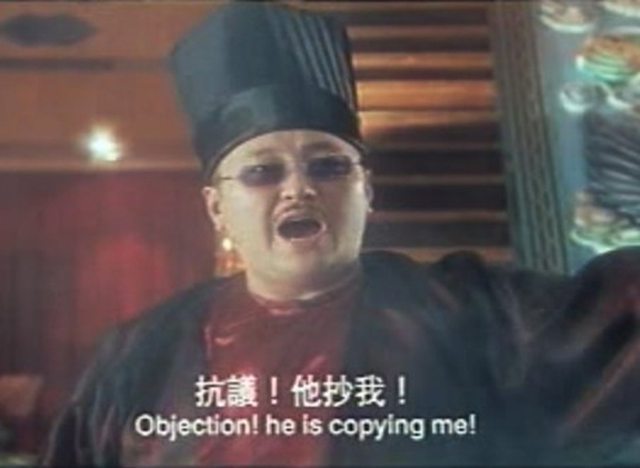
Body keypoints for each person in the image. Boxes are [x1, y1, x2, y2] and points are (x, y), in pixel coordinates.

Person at [41, 2, 640, 466]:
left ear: (366, 192)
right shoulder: (139, 356)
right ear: (217, 207)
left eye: (328, 166)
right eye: (262, 172)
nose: (299, 188)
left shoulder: (475, 312)